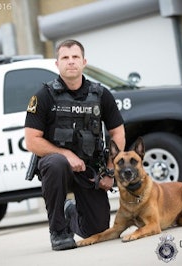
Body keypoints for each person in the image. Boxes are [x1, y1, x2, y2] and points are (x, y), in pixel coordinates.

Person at [24, 39, 125, 251]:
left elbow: (117, 132)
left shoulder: (101, 95)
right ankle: (59, 231)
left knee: (97, 231)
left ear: (84, 61)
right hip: (58, 168)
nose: (71, 62)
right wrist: (66, 154)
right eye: (65, 58)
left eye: (75, 57)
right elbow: (31, 140)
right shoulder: (43, 96)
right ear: (57, 63)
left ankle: (71, 213)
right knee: (55, 163)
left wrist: (109, 170)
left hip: (90, 169)